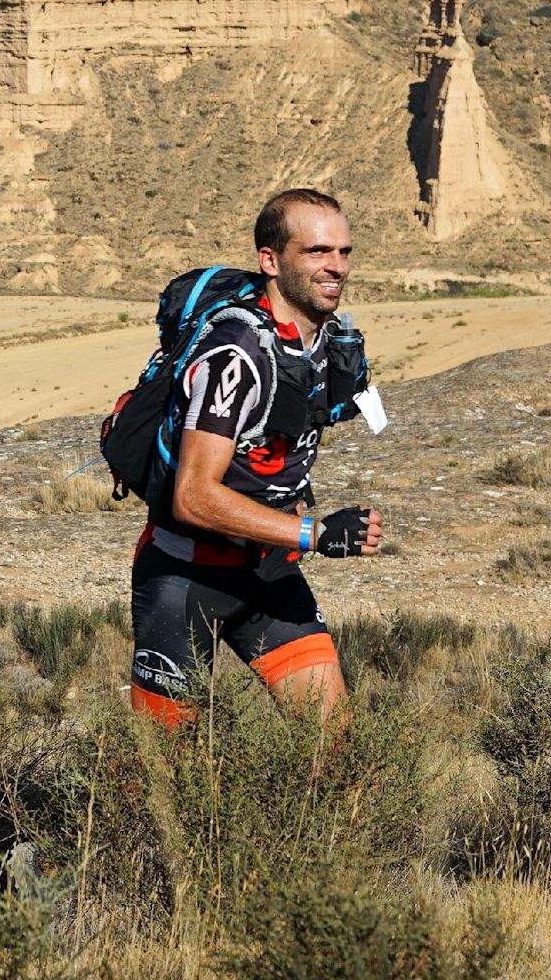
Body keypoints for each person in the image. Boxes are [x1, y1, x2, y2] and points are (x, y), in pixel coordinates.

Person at [129, 188, 384, 727]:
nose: (336, 266)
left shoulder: (321, 341)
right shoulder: (236, 355)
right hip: (184, 578)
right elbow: (194, 496)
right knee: (160, 763)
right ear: (271, 260)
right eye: (317, 251)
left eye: (343, 252)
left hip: (267, 569)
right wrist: (316, 533)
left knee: (333, 738)